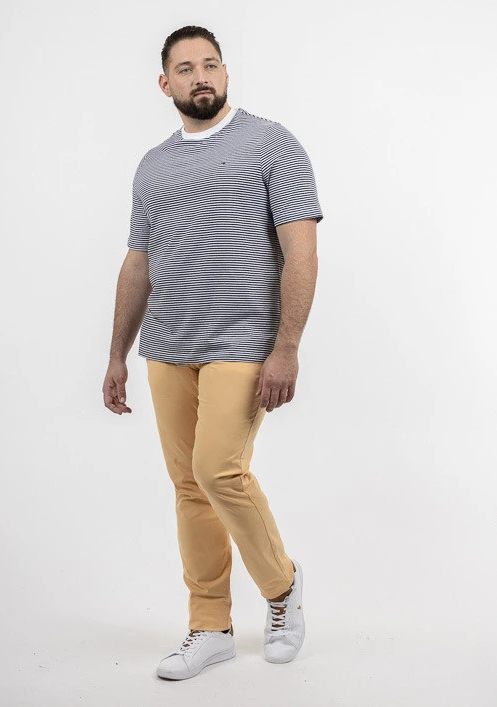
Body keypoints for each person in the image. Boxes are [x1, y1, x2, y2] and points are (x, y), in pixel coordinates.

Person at [102, 25, 324, 680]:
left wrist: (287, 347)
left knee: (217, 470)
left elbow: (302, 248)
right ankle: (210, 625)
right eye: (185, 68)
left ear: (225, 73)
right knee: (188, 487)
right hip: (168, 344)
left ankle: (282, 587)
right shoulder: (152, 165)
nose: (201, 76)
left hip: (244, 341)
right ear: (164, 83)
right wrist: (116, 355)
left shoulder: (270, 143)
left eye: (211, 64)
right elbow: (138, 263)